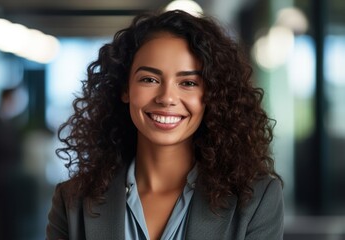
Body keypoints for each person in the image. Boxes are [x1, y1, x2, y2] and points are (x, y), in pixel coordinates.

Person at [46, 10, 284, 240]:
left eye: (188, 82)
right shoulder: (72, 201)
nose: (167, 97)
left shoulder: (255, 200)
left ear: (212, 94)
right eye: (149, 79)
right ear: (125, 89)